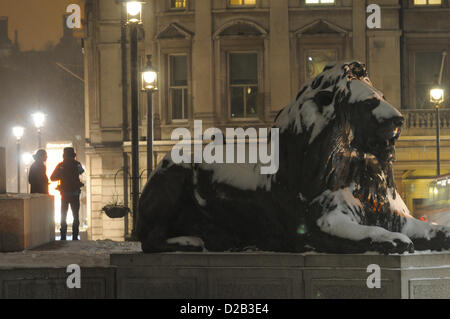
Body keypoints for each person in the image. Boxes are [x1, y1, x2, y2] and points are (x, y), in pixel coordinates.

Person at [50, 147, 84, 241]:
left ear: (64, 155)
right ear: (73, 155)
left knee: (63, 215)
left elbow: (52, 178)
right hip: (75, 193)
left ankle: (63, 236)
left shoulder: (61, 165)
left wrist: (61, 174)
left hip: (64, 194)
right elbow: (81, 172)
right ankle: (75, 236)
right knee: (75, 215)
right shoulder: (77, 164)